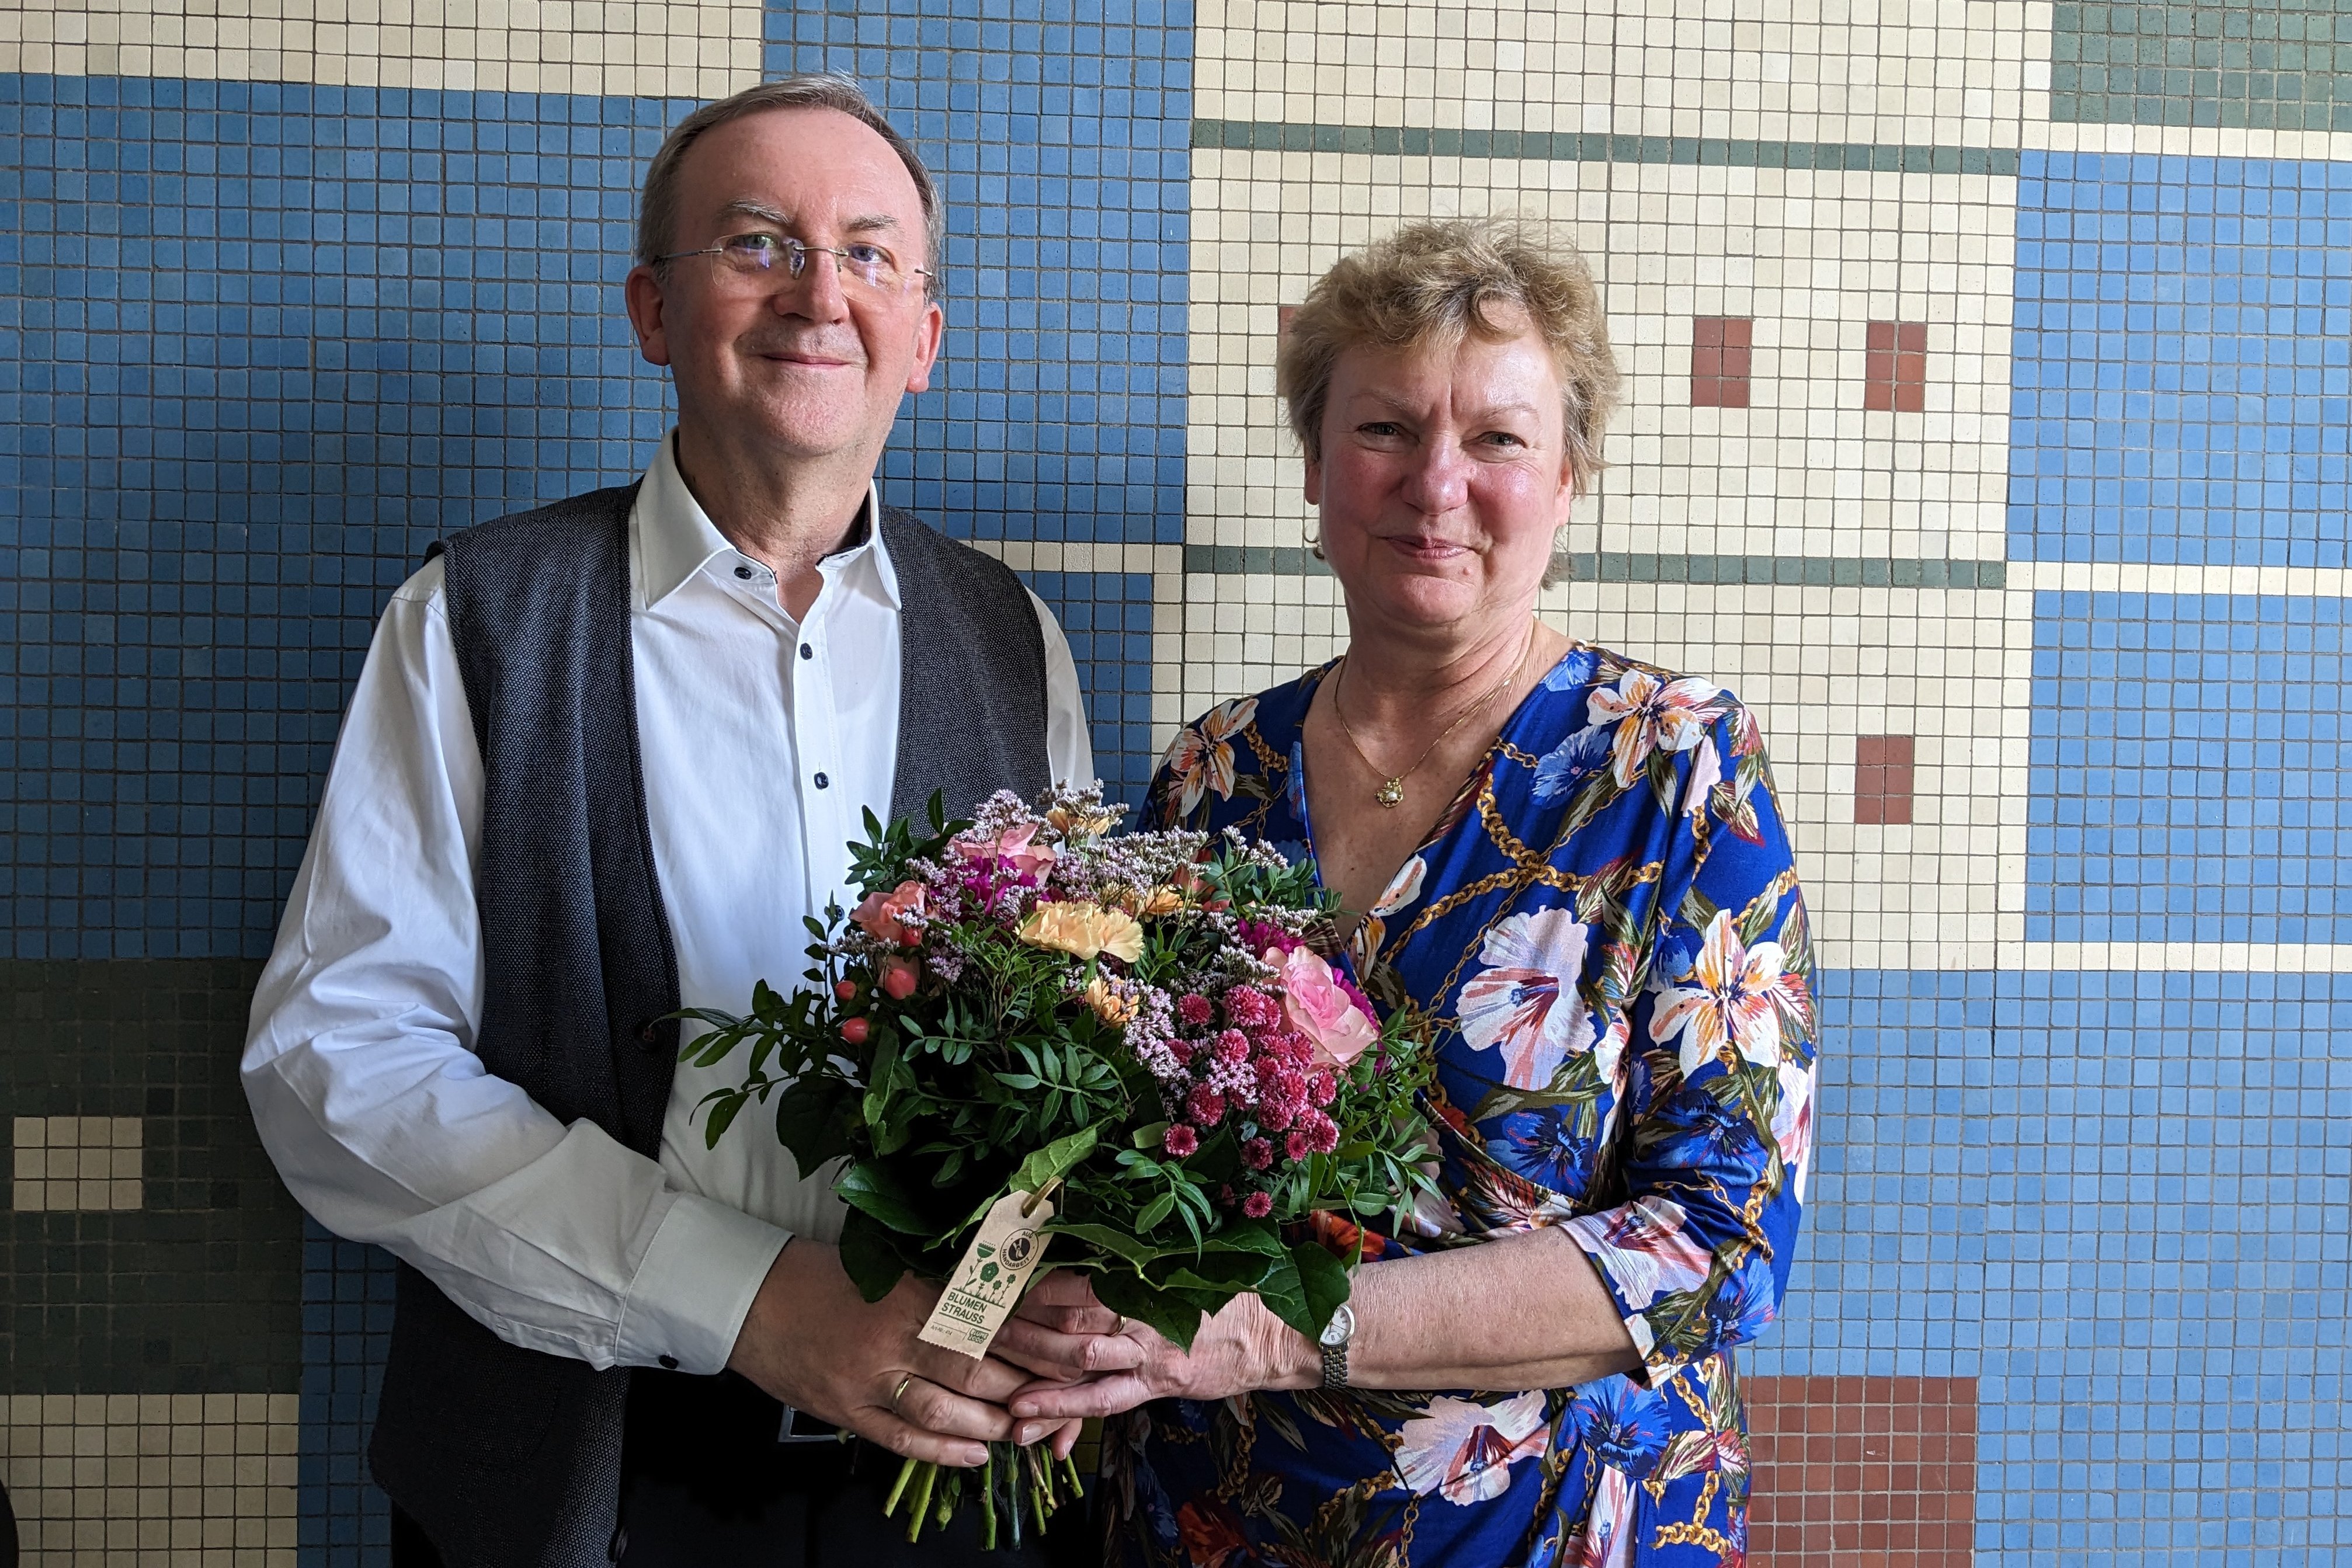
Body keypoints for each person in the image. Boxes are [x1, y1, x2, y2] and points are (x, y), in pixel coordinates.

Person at [243, 76, 1098, 1566]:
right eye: (757, 243)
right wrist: (755, 1297)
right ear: (652, 310)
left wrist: (1022, 1316)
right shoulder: (473, 615)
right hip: (582, 1468)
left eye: (871, 254)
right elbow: (341, 1055)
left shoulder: (1015, 637)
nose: (820, 293)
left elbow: (1083, 1039)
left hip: (945, 1472)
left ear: (926, 340)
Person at [994, 219, 1821, 1563]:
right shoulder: (1214, 774)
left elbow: (1721, 1247)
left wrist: (1275, 1331)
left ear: (1568, 475)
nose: (1435, 484)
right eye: (1383, 429)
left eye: (1496, 437)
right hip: (1211, 1516)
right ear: (1317, 469)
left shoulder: (1674, 771)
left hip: (1555, 1526)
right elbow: (1129, 1145)